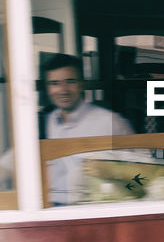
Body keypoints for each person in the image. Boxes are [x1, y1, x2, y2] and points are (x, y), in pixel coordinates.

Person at [40, 53, 134, 205]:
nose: (63, 90)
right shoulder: (49, 120)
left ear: (82, 84)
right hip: (52, 209)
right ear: (48, 89)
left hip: (94, 210)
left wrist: (111, 171)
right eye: (55, 83)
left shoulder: (110, 121)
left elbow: (140, 171)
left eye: (70, 81)